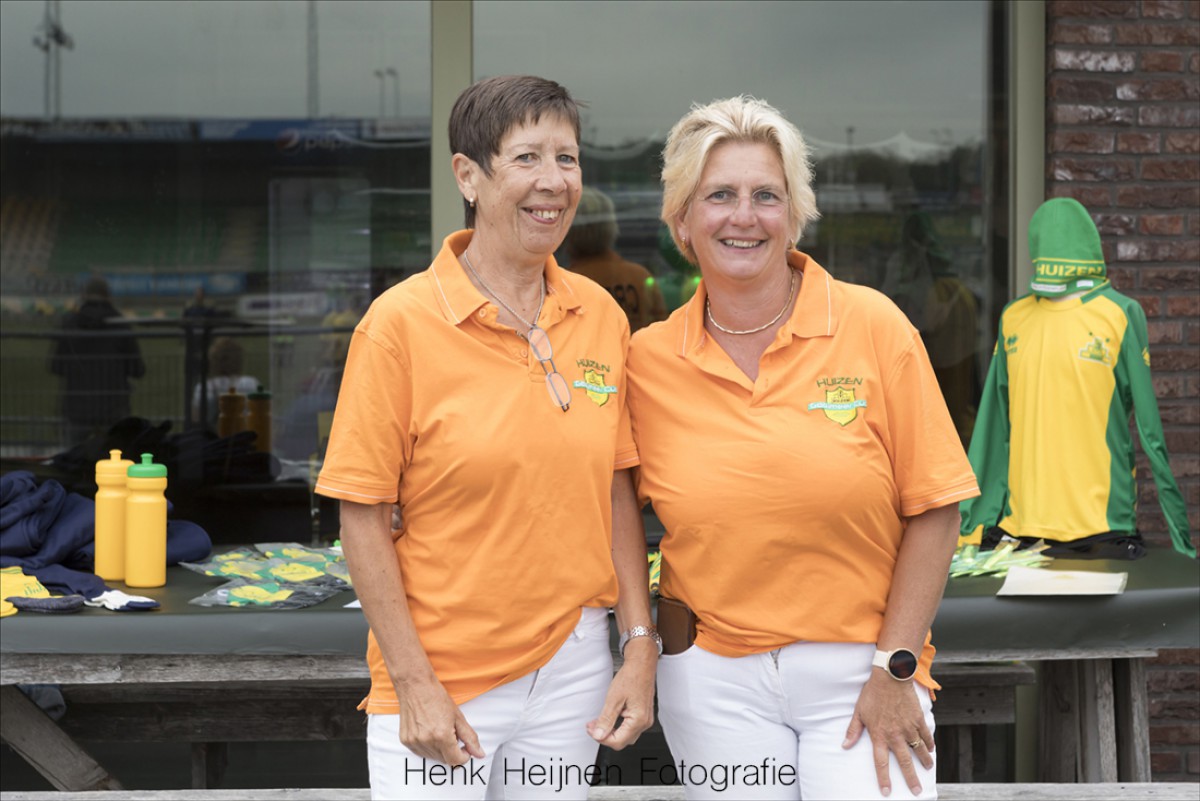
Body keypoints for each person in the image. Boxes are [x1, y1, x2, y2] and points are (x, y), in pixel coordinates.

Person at [624, 96, 980, 800]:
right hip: (712, 680)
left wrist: (896, 667)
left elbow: (937, 507)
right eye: (719, 195)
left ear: (795, 213)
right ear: (681, 221)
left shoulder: (873, 325)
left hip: (864, 668)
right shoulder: (647, 360)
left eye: (767, 195)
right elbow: (601, 507)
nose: (744, 216)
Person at [314, 75, 656, 800]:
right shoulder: (398, 325)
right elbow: (362, 516)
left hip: (573, 673)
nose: (553, 181)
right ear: (467, 176)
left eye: (567, 158)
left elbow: (615, 491)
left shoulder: (600, 315)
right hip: (443, 678)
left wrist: (638, 647)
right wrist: (414, 683)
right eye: (527, 157)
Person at [50, 276, 145, 444]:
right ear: (108, 296)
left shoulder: (70, 324)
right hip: (113, 408)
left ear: (84, 295)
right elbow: (137, 369)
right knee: (115, 456)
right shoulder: (120, 324)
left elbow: (56, 366)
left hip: (77, 409)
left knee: (74, 455)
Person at [565, 186, 667, 332]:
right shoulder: (640, 276)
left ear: (569, 230)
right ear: (611, 226)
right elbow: (662, 330)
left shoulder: (567, 285)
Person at [192, 336, 258, 428]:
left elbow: (196, 419)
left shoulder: (204, 387)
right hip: (246, 433)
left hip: (214, 435)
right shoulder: (251, 383)